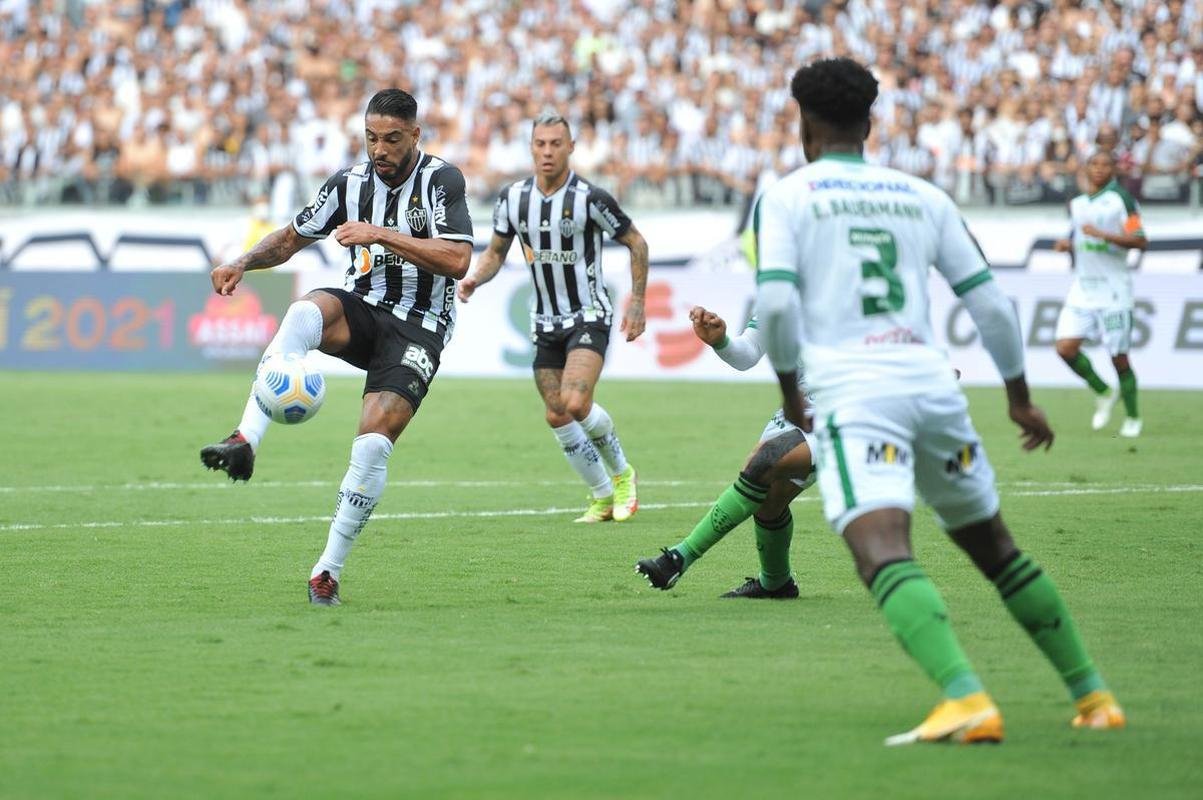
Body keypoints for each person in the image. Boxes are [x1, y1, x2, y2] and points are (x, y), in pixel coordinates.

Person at [755, 58, 1124, 745]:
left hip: (857, 396)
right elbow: (991, 304)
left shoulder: (787, 197)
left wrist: (787, 395)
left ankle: (964, 697)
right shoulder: (921, 195)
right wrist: (1018, 398)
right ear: (870, 125)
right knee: (996, 548)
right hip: (932, 388)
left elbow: (774, 303)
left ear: (803, 125)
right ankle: (1093, 695)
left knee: (880, 548)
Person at [199, 89, 474, 606]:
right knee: (304, 312)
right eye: (371, 138)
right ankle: (245, 439)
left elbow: (457, 259)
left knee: (372, 446)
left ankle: (326, 572)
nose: (380, 150)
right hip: (362, 309)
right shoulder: (348, 184)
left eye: (392, 139)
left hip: (419, 329)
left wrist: (380, 234)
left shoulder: (442, 180)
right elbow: (291, 237)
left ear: (415, 135)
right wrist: (242, 262)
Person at [457, 111, 648, 523]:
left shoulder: (591, 199)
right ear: (531, 147)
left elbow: (637, 242)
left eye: (556, 144)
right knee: (557, 412)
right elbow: (495, 252)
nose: (547, 151)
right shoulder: (513, 198)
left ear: (571, 147)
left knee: (576, 402)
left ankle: (622, 475)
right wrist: (474, 279)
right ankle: (601, 496)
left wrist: (637, 302)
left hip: (588, 314)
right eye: (540, 144)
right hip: (544, 320)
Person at [635, 306, 815, 598]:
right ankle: (776, 582)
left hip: (849, 412)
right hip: (800, 409)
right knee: (769, 500)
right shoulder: (779, 294)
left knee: (763, 462)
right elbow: (747, 354)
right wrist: (721, 342)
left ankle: (678, 558)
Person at [1053, 150, 1148, 438]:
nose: (1099, 169)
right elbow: (1080, 238)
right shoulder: (1078, 204)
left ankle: (1133, 417)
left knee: (1118, 358)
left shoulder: (1122, 200)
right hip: (1082, 288)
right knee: (1065, 348)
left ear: (1114, 169)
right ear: (1086, 168)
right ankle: (1104, 391)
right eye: (1094, 164)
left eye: (1105, 165)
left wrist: (1104, 235)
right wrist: (1068, 245)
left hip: (1114, 291)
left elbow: (1140, 240)